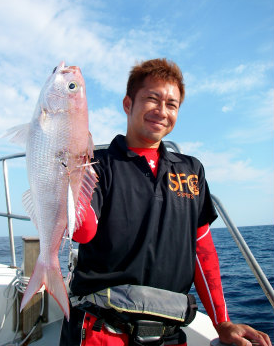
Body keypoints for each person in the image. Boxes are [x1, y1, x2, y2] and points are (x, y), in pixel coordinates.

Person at [60, 58, 271, 346]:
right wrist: (73, 171)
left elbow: (202, 251)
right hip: (102, 331)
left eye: (171, 104)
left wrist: (222, 322)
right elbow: (82, 232)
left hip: (169, 334)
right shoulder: (99, 165)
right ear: (127, 103)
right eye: (152, 99)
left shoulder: (191, 171)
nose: (162, 111)